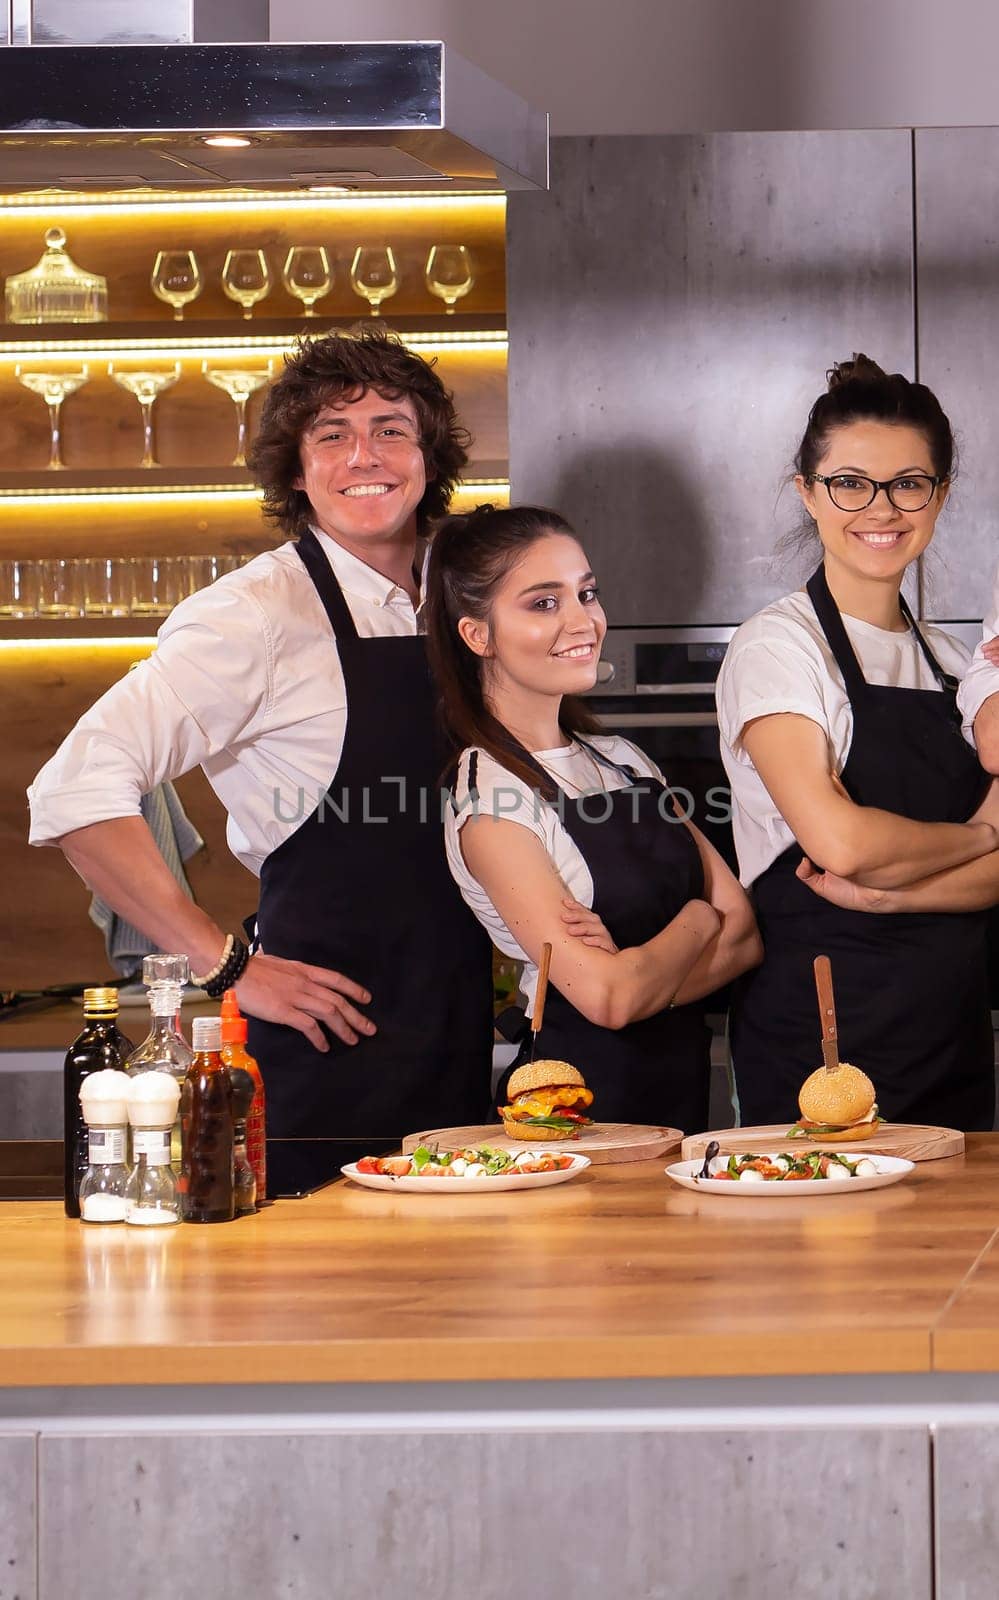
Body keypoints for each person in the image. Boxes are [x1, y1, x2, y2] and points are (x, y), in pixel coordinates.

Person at [28, 328, 495, 1186]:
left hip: (460, 1012)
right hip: (327, 1029)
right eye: (332, 435)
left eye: (392, 429)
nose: (367, 455)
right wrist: (226, 966)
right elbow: (74, 790)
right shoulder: (251, 615)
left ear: (429, 456)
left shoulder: (460, 588)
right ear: (293, 469)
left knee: (460, 1298)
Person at [717, 354, 999, 1132]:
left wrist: (894, 890)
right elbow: (839, 842)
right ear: (806, 491)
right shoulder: (777, 647)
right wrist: (978, 833)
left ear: (939, 496)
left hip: (952, 1036)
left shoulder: (960, 661)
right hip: (821, 1045)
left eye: (910, 482)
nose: (881, 507)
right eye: (849, 482)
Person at [424, 503, 761, 1133]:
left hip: (682, 1110)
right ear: (478, 635)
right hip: (573, 1122)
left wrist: (637, 983)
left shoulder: (623, 760)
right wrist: (696, 919)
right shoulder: (489, 794)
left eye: (587, 593)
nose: (584, 621)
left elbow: (743, 935)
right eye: (543, 603)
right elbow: (609, 996)